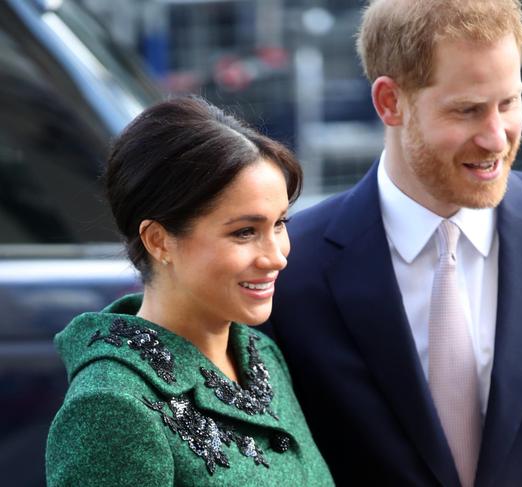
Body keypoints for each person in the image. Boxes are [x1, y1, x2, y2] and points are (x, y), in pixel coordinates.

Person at [266, 0, 522, 486]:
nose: (496, 137)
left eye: (508, 103)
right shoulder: (288, 266)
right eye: (467, 111)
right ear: (390, 102)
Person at [45, 97, 333, 487]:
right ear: (159, 240)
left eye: (279, 224)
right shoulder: (113, 406)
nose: (276, 257)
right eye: (244, 232)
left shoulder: (259, 355)